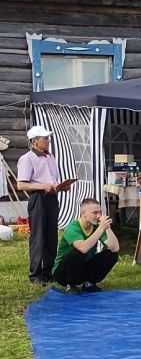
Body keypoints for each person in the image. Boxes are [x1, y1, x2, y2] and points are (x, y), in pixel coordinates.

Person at [16, 125, 68, 286]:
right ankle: (35, 274)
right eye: (45, 138)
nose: (48, 141)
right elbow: (21, 185)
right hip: (38, 198)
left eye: (47, 138)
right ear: (34, 142)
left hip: (51, 197)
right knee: (38, 237)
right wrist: (42, 186)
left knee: (51, 236)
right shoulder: (27, 158)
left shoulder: (49, 157)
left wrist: (61, 186)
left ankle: (48, 271)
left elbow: (51, 179)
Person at [53, 198, 119, 294]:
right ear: (84, 213)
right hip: (63, 273)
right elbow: (83, 248)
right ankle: (71, 286)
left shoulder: (97, 227)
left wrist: (107, 228)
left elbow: (115, 248)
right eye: (95, 213)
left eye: (100, 212)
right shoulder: (73, 227)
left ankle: (89, 284)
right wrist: (101, 229)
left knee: (112, 254)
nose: (98, 216)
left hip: (82, 269)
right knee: (78, 251)